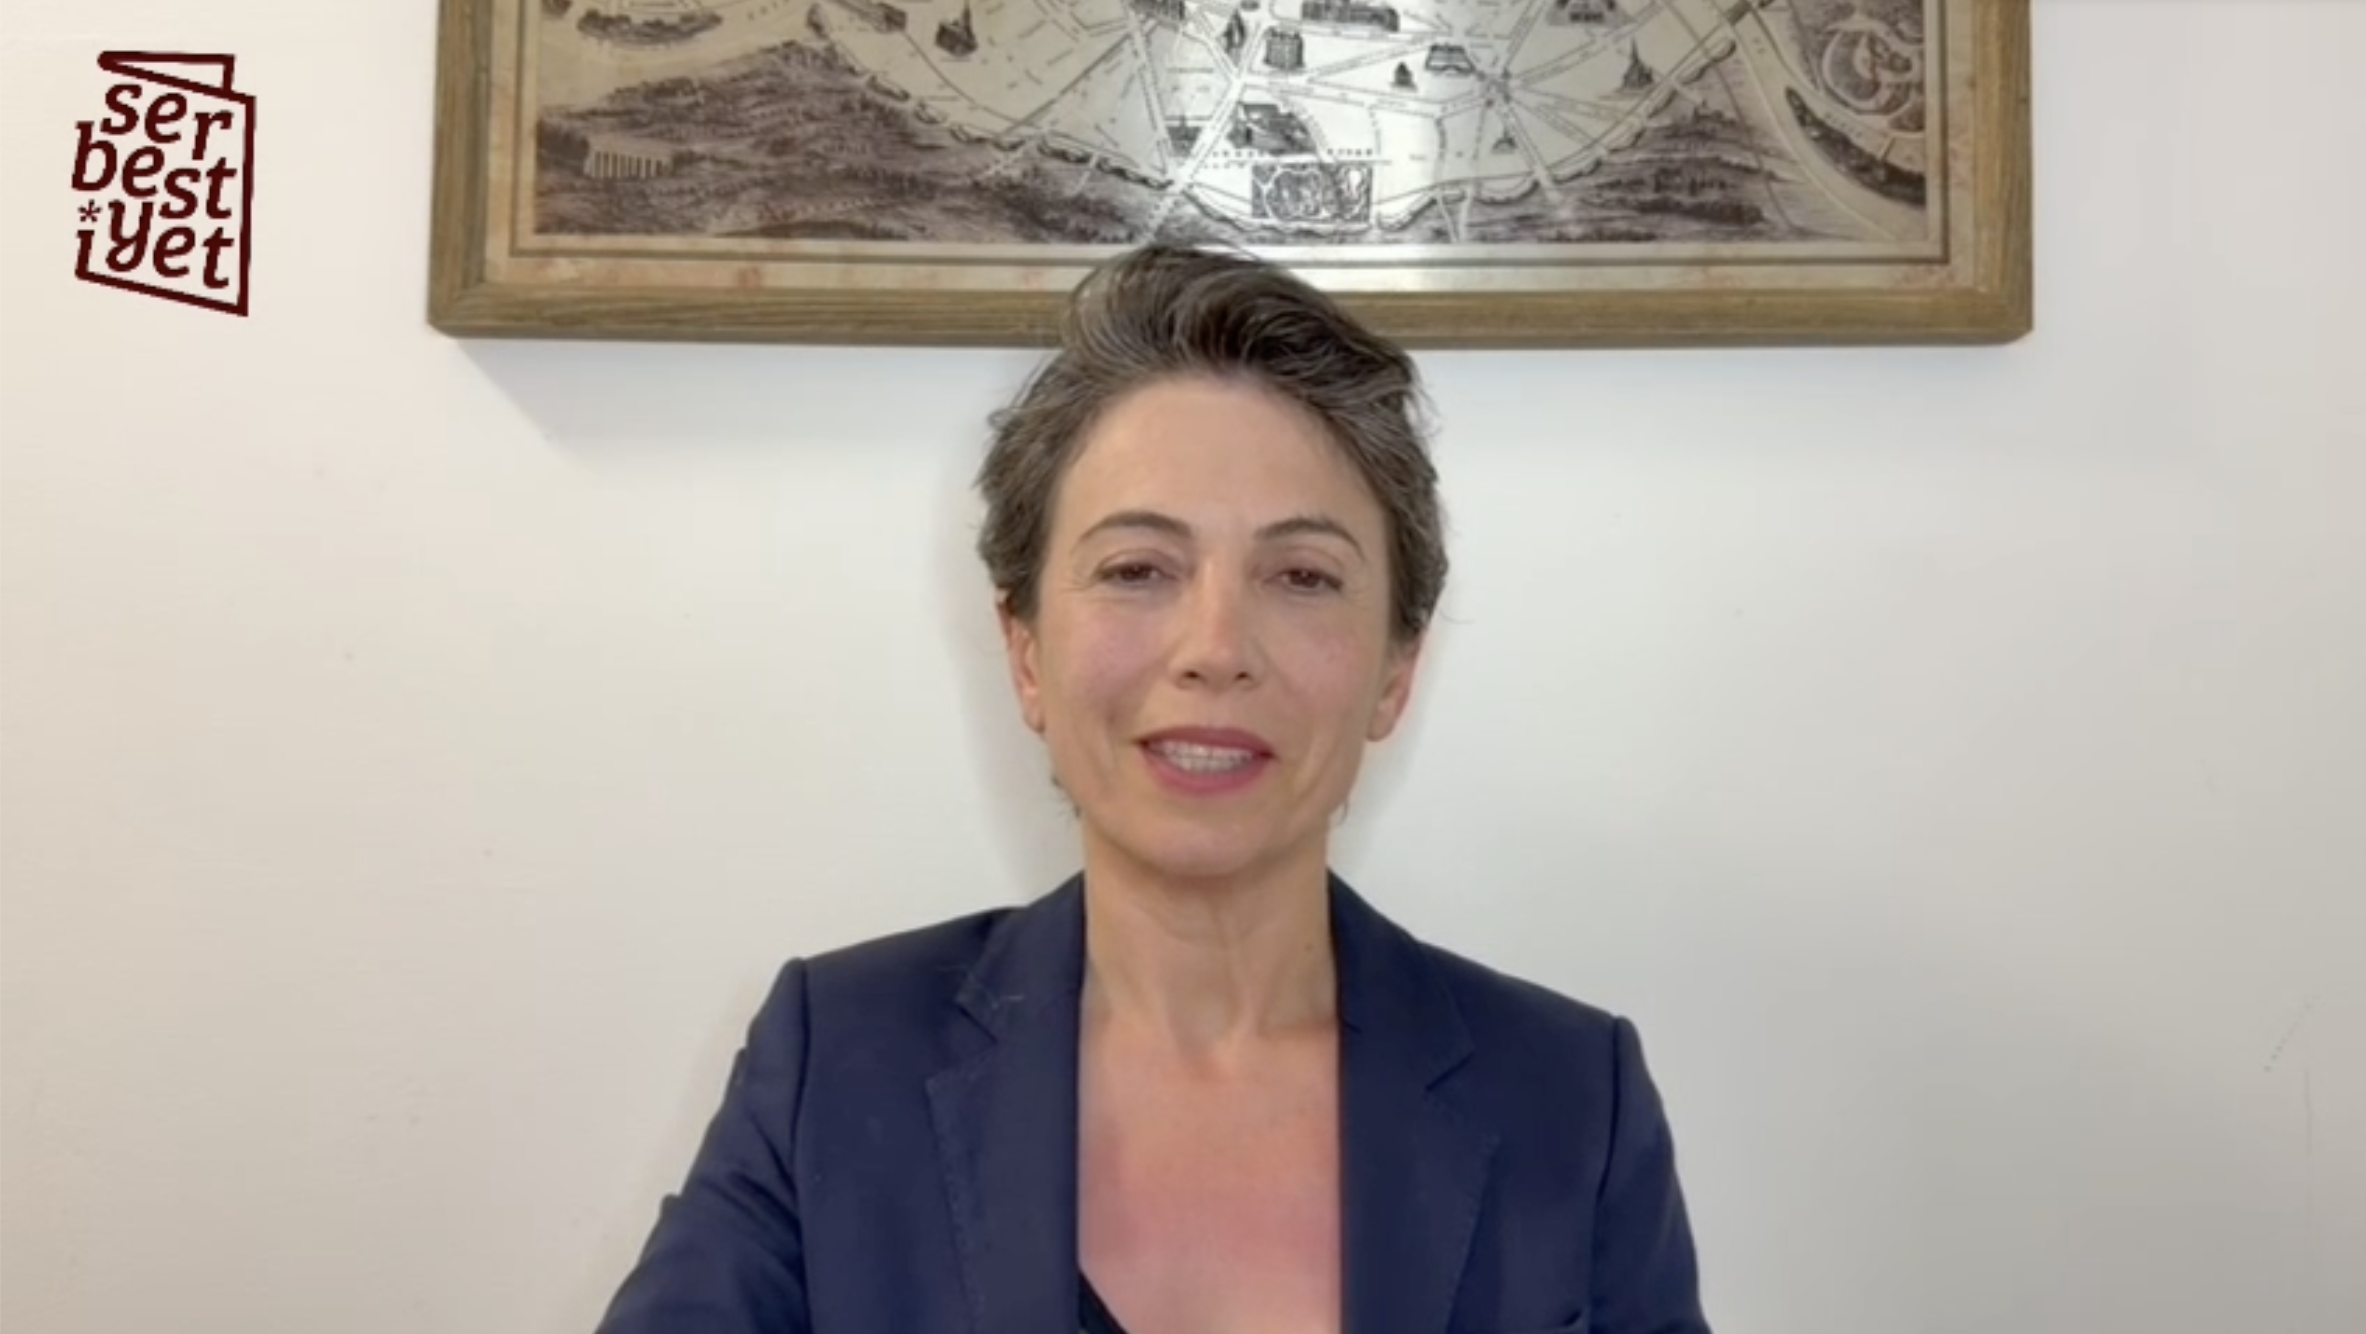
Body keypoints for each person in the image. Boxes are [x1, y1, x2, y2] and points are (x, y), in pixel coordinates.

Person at [594, 244, 1712, 1334]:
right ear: (1025, 651)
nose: (1214, 647)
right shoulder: (835, 1061)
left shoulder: (1573, 1099)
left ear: (1394, 670)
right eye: (1136, 569)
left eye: (1302, 575)